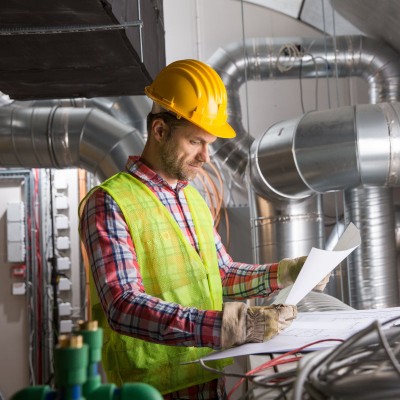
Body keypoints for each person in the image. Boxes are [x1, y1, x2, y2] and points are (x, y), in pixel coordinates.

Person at [79, 59, 328, 399]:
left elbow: (221, 273)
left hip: (208, 377)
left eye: (209, 144)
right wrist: (233, 326)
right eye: (196, 142)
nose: (206, 157)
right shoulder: (110, 202)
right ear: (160, 131)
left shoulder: (192, 199)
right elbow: (123, 305)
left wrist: (286, 272)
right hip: (150, 390)